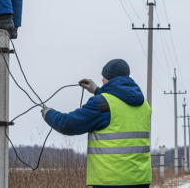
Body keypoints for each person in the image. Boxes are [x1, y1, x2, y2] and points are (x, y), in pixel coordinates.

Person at [41, 59, 152, 188]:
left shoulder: (101, 104)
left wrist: (48, 114)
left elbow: (68, 125)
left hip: (111, 181)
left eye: (103, 78)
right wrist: (97, 90)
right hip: (140, 180)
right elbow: (119, 102)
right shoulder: (144, 105)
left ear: (107, 79)